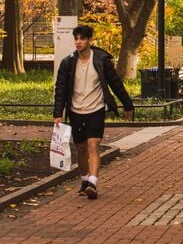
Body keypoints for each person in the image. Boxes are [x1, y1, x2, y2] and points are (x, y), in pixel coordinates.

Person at [53, 25, 134, 200]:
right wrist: (58, 113)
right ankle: (84, 180)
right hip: (75, 111)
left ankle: (93, 183)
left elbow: (116, 84)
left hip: (96, 109)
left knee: (93, 146)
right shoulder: (68, 63)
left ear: (90, 40)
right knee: (80, 148)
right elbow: (60, 89)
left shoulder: (101, 60)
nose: (78, 42)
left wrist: (128, 105)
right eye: (76, 39)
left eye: (82, 39)